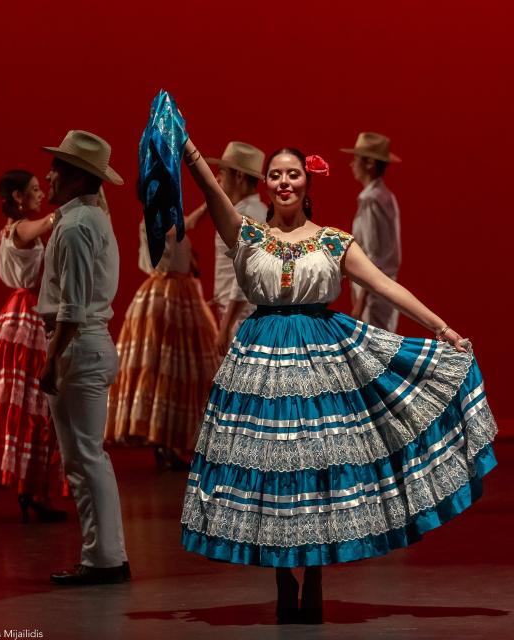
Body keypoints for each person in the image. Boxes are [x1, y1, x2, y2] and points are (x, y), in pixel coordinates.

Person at [177, 133, 497, 624]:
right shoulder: (246, 234)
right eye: (276, 174)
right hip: (260, 362)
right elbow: (208, 187)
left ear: (307, 183)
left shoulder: (332, 241)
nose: (284, 181)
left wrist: (441, 327)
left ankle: (317, 571)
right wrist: (186, 146)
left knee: (320, 470)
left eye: (293, 173)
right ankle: (283, 574)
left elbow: (384, 284)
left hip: (321, 362)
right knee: (273, 468)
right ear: (266, 185)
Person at [36, 130, 129, 585]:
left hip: (78, 345)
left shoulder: (74, 226)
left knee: (85, 458)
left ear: (75, 177)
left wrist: (52, 359)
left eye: (57, 168)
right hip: (89, 343)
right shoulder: (89, 218)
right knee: (87, 458)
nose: (49, 176)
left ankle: (105, 558)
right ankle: (105, 554)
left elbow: (71, 306)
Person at [0, 170, 66, 523]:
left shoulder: (14, 230)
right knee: (35, 404)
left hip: (21, 313)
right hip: (28, 315)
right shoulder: (20, 228)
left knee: (31, 406)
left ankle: (33, 488)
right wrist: (70, 207)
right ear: (19, 197)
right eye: (34, 190)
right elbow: (46, 223)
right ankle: (32, 489)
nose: (41, 194)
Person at [105, 214, 220, 469]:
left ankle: (172, 443)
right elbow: (178, 229)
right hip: (164, 296)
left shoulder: (170, 222)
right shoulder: (150, 222)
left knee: (179, 368)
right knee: (164, 366)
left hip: (181, 292)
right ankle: (163, 444)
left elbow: (184, 226)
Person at [206, 142, 268, 354]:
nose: (218, 179)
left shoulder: (249, 215)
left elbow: (247, 274)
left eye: (222, 172)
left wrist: (225, 328)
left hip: (242, 318)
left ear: (239, 177)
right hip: (236, 314)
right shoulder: (243, 211)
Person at [341, 132, 402, 331]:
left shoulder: (372, 199)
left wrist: (361, 300)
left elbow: (373, 255)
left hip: (374, 294)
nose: (351, 164)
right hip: (380, 290)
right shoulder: (384, 196)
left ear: (369, 163)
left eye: (356, 159)